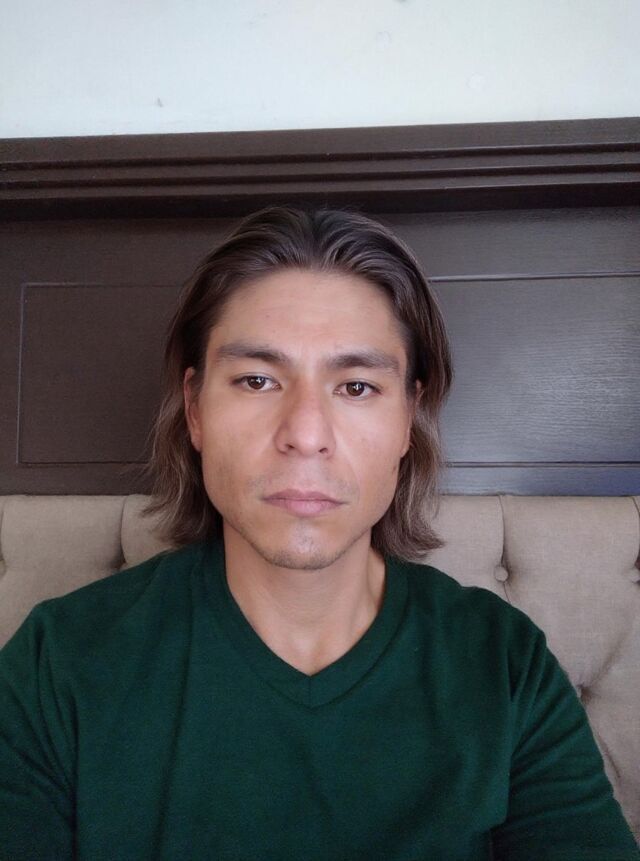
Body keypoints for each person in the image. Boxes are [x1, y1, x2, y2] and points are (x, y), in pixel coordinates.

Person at [0, 206, 637, 861]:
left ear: (408, 419)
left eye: (356, 386)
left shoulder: (503, 662)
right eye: (257, 380)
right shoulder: (57, 665)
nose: (305, 433)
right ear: (195, 410)